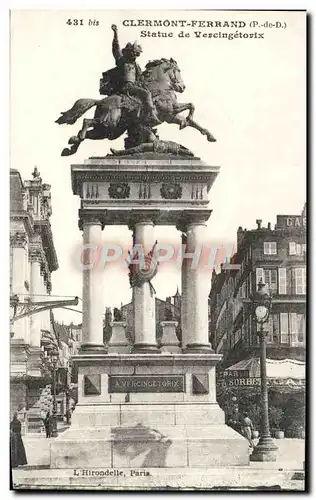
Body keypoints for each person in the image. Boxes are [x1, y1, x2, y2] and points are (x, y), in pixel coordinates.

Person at [105, 24, 161, 126]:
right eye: (134, 53)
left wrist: (148, 74)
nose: (135, 55)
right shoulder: (122, 60)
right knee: (147, 94)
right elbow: (115, 48)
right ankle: (151, 114)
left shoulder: (136, 66)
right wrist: (115, 33)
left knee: (151, 93)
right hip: (126, 87)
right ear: (128, 52)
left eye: (137, 54)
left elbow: (140, 77)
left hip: (134, 86)